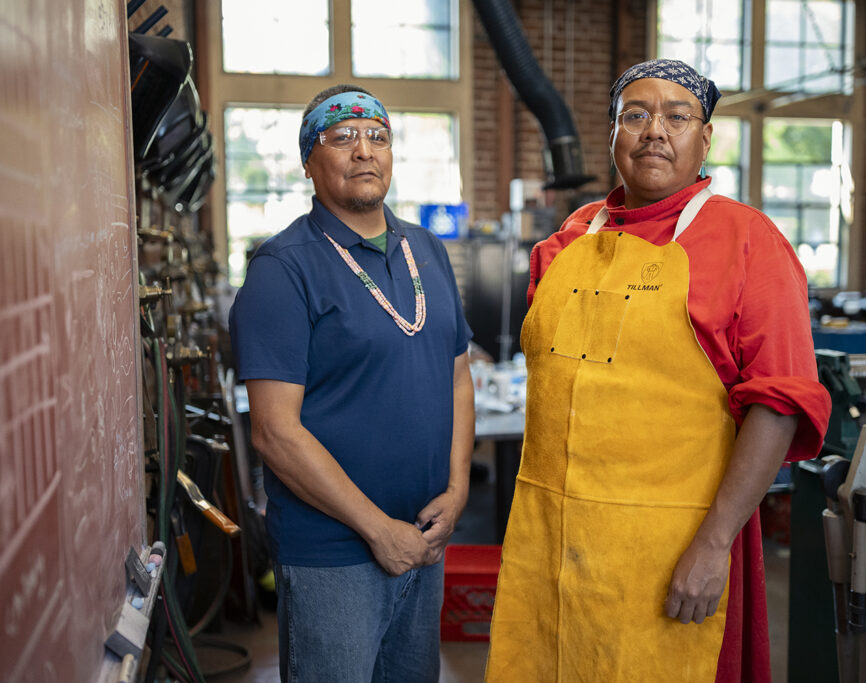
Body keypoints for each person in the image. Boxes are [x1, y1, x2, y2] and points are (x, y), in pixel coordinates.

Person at [485, 59, 831, 682]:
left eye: (677, 116)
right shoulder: (565, 243)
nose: (655, 131)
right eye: (635, 115)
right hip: (553, 549)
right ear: (613, 135)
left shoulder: (747, 241)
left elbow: (778, 405)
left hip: (673, 554)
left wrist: (713, 545)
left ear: (705, 139)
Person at [228, 84, 474, 682]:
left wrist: (459, 486)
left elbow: (457, 374)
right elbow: (274, 434)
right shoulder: (283, 270)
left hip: (423, 539)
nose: (364, 150)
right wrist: (376, 531)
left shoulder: (428, 250)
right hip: (334, 557)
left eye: (377, 136)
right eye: (342, 137)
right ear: (310, 162)